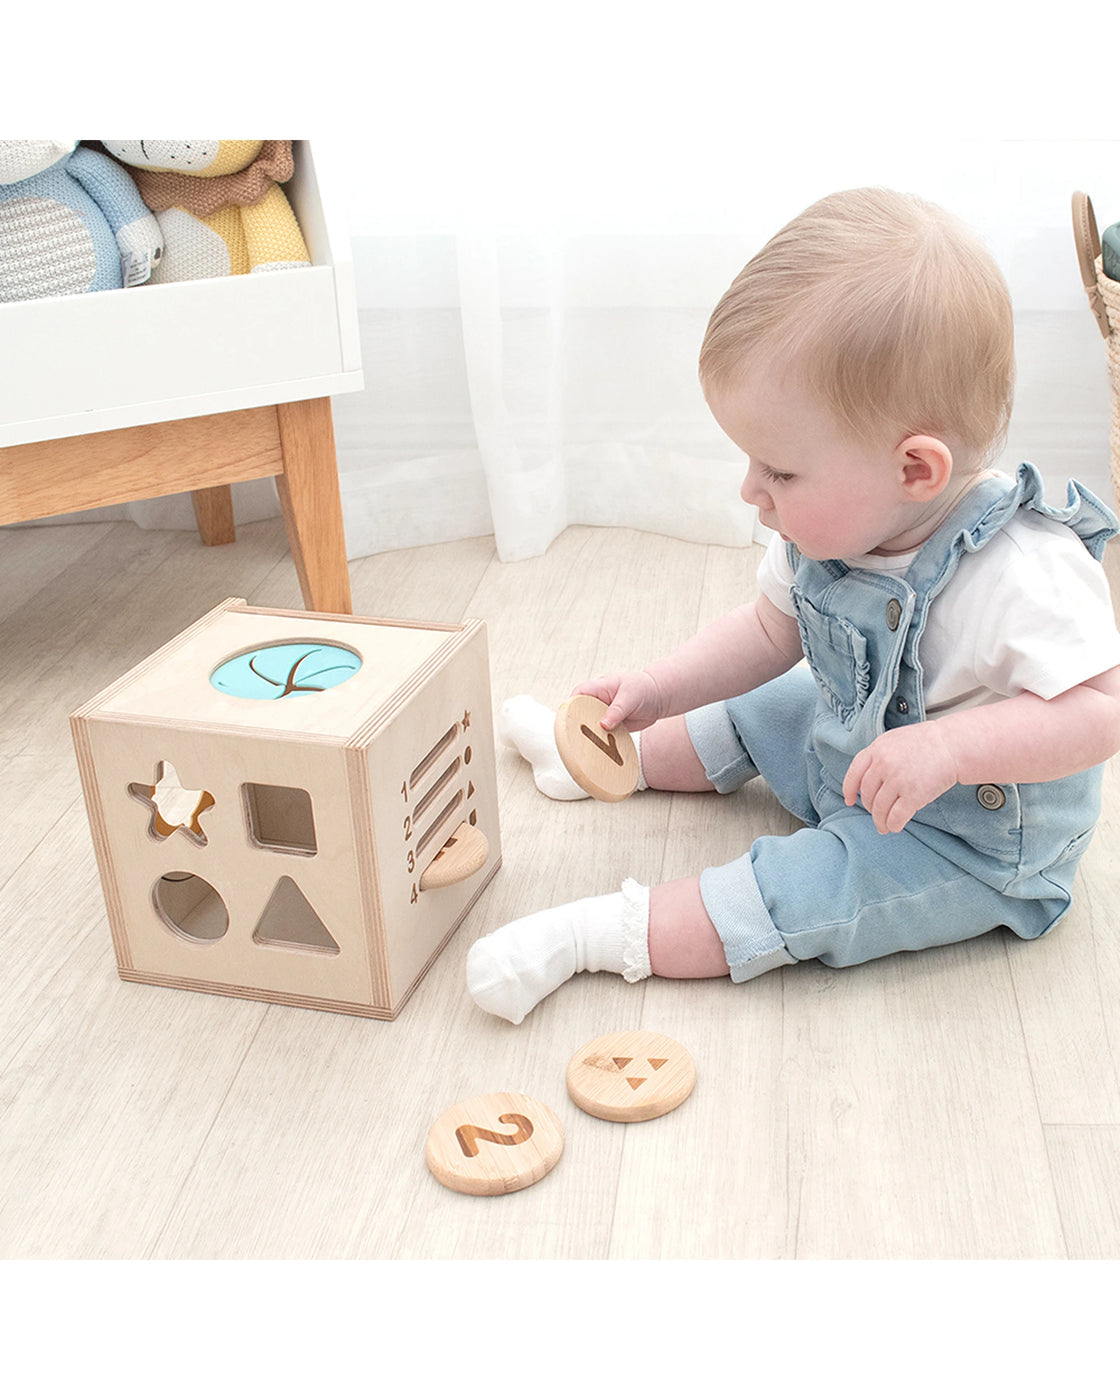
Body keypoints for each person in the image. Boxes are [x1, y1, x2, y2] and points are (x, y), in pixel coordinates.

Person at [466, 187, 1120, 1026]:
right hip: (862, 745)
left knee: (813, 884)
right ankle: (607, 759)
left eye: (779, 471)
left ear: (915, 470)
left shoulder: (1024, 572)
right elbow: (768, 633)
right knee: (767, 705)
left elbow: (1100, 712)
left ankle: (595, 934)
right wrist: (662, 690)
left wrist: (952, 748)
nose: (752, 492)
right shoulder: (838, 520)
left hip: (969, 836)